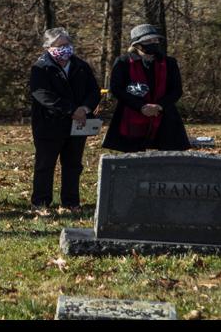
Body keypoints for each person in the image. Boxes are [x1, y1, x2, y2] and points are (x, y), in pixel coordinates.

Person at [26, 27, 102, 211]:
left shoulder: (81, 66)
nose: (64, 48)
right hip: (49, 124)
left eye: (67, 44)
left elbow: (94, 91)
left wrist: (84, 108)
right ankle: (41, 202)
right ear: (48, 47)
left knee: (73, 164)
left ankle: (71, 202)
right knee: (45, 164)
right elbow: (41, 94)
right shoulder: (41, 67)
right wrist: (70, 110)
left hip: (78, 124)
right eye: (59, 45)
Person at [103, 23, 189, 153]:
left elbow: (176, 90)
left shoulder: (169, 63)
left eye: (155, 40)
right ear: (137, 44)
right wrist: (141, 107)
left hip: (164, 115)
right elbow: (116, 89)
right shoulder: (123, 62)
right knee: (133, 158)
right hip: (131, 114)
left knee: (167, 157)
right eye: (148, 41)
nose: (153, 43)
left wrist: (159, 106)